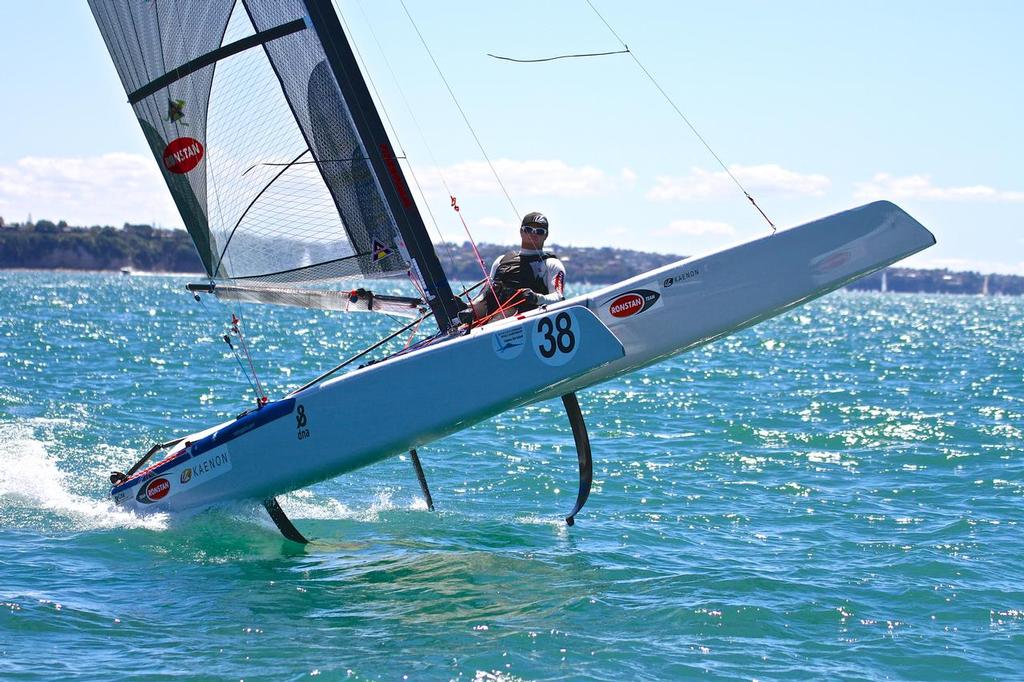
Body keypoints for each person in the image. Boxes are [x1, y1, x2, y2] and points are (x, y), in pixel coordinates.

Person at [469, 211, 566, 323]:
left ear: (546, 235)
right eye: (528, 229)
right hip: (492, 318)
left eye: (539, 231)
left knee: (506, 313)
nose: (533, 234)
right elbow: (484, 294)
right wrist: (467, 306)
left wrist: (536, 298)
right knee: (469, 310)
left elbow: (559, 298)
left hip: (525, 320)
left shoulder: (551, 264)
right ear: (521, 231)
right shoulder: (501, 260)